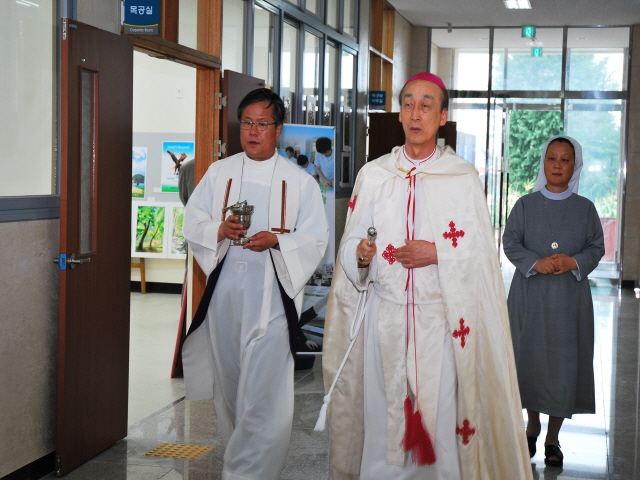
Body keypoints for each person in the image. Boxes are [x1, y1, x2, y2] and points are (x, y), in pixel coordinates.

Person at [321, 73, 533, 480]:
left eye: (426, 105)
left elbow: (481, 256)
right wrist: (361, 256)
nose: (416, 114)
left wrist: (437, 252)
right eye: (408, 104)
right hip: (384, 320)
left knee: (441, 423)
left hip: (441, 323)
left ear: (442, 117)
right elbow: (350, 248)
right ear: (400, 114)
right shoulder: (375, 174)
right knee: (385, 422)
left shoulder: (462, 177)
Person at [181, 87, 329, 480]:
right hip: (226, 302)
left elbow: (316, 237)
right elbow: (191, 222)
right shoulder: (220, 172)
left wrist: (278, 240)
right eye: (247, 122)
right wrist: (219, 228)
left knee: (261, 400)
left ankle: (246, 475)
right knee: (230, 396)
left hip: (271, 305)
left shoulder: (300, 182)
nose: (253, 131)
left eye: (263, 124)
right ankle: (242, 463)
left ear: (278, 130)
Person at [503, 135, 605, 467]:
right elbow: (510, 242)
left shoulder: (586, 208)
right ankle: (532, 423)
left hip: (568, 300)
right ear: (543, 163)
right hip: (529, 296)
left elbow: (595, 247)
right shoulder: (524, 205)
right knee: (530, 359)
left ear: (574, 166)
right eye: (551, 158)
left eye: (564, 159)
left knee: (563, 363)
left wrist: (574, 261)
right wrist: (535, 261)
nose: (557, 165)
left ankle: (552, 438)